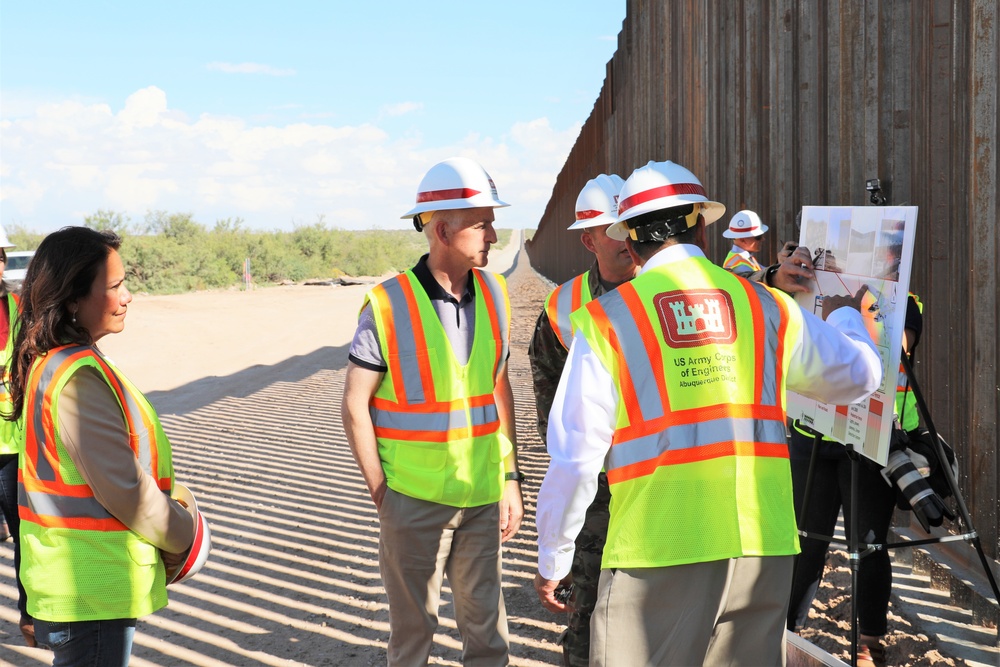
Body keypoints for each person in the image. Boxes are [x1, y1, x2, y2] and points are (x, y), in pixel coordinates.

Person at [533, 160, 883, 666]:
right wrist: (847, 316)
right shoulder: (769, 307)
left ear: (629, 243)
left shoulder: (610, 320)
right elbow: (860, 376)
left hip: (656, 547)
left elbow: (576, 456)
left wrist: (554, 556)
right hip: (760, 544)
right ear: (701, 224)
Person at [341, 157, 524, 666]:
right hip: (413, 501)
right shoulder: (385, 304)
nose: (492, 232)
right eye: (482, 222)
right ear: (443, 229)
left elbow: (496, 387)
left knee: (488, 634)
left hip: (482, 496)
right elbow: (355, 405)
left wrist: (510, 478)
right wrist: (383, 493)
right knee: (413, 634)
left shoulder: (496, 291)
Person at [4, 226, 195, 666]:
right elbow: (124, 488)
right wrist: (186, 534)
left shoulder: (58, 362)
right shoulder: (77, 377)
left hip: (77, 581)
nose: (127, 296)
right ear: (73, 299)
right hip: (90, 586)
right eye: (114, 287)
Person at [527, 173, 634, 667]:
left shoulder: (667, 292)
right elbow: (549, 392)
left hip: (664, 480)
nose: (628, 237)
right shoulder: (564, 308)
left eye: (635, 224)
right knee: (588, 614)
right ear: (589, 239)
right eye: (615, 228)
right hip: (600, 490)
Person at [786, 292, 927, 667]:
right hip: (812, 430)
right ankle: (786, 631)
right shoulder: (815, 287)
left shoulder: (900, 298)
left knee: (868, 544)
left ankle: (870, 643)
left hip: (871, 436)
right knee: (803, 540)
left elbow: (891, 351)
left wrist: (847, 314)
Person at [0, 225, 33, 646]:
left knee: (27, 537)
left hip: (11, 447)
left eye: (0, 256)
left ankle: (31, 617)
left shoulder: (19, 306)